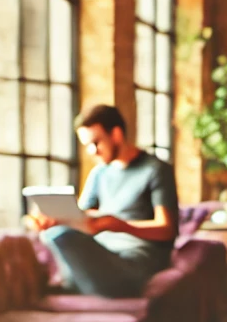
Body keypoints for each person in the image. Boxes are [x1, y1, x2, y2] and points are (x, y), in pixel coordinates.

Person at [34, 103, 179, 297]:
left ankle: (80, 286)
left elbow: (168, 230)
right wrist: (55, 218)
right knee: (55, 232)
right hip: (103, 253)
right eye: (87, 146)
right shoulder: (99, 174)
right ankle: (79, 284)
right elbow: (81, 216)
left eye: (96, 143)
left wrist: (121, 226)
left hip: (135, 258)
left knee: (62, 237)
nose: (92, 151)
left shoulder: (156, 170)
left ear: (116, 134)